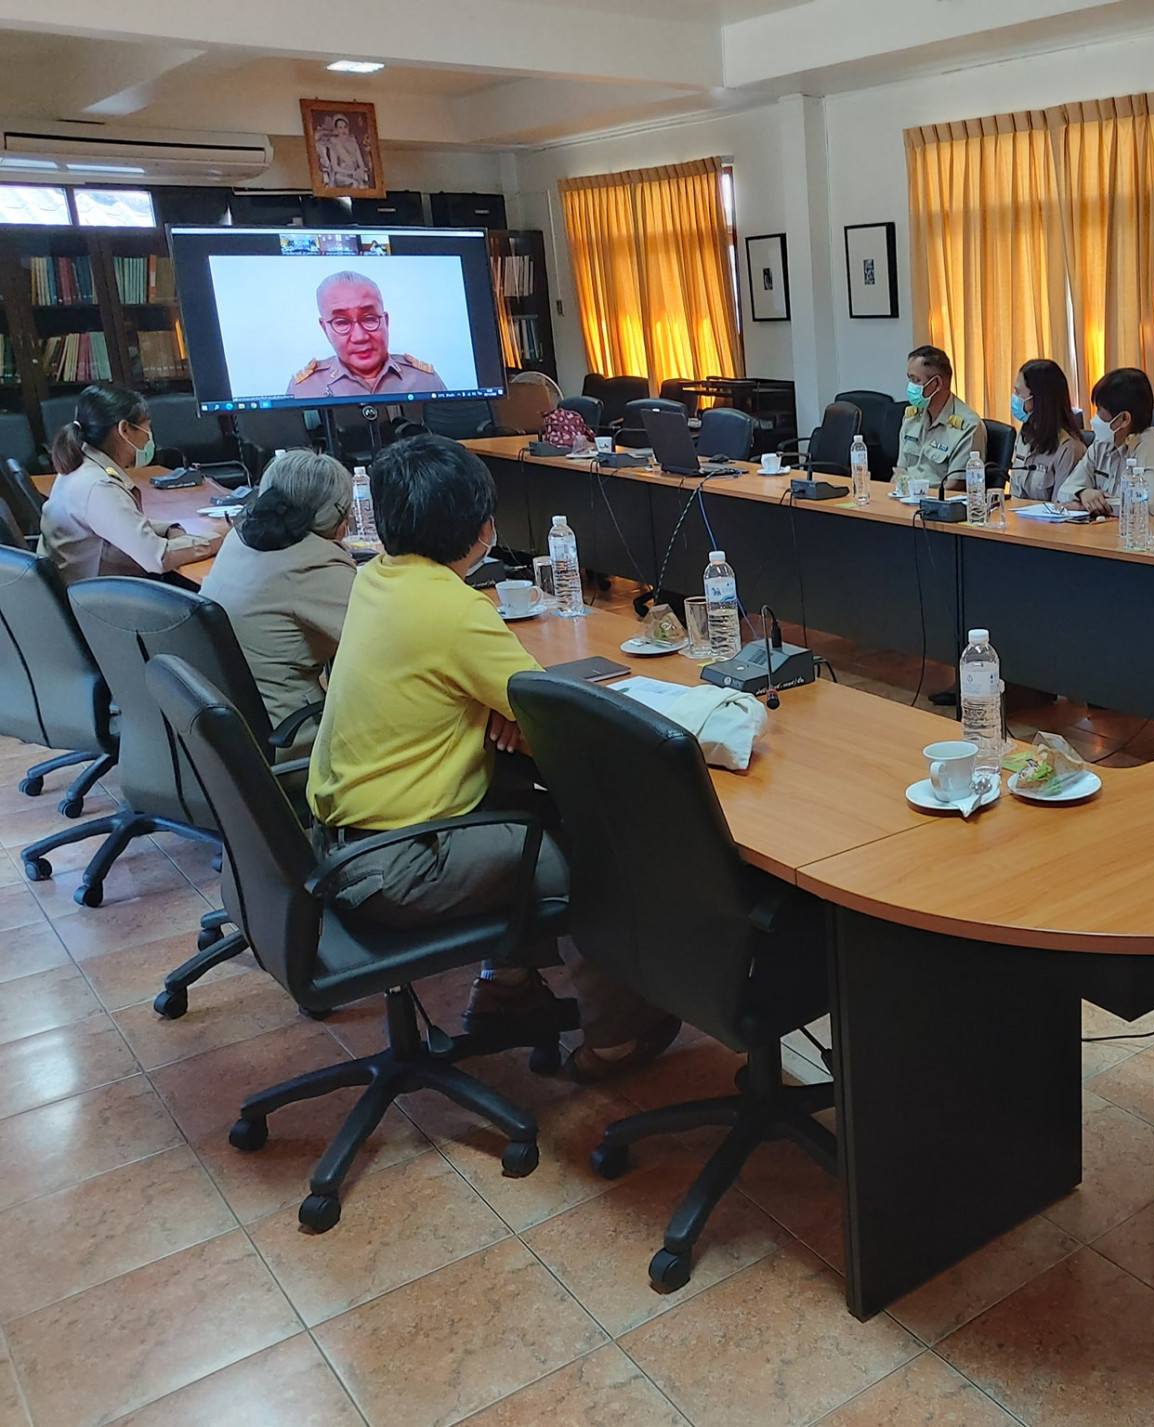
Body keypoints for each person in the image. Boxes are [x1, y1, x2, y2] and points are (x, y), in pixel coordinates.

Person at [307, 434, 678, 1079]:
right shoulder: (455, 609)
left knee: (523, 799)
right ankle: (615, 1039)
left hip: (346, 841)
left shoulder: (376, 578)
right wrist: (519, 720)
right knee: (603, 852)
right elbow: (560, 729)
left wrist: (503, 716)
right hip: (401, 864)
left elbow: (514, 708)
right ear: (484, 529)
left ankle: (504, 986)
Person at [198, 450, 357, 744]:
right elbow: (382, 644)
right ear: (334, 514)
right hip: (289, 736)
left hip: (227, 732)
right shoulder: (314, 563)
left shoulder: (239, 537)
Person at [39, 382, 224, 584]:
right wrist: (218, 537)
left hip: (88, 596)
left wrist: (168, 528)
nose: (148, 436)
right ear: (125, 429)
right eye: (147, 425)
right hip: (100, 606)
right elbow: (157, 558)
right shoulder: (99, 486)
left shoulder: (80, 467)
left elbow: (121, 523)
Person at [287, 271, 448, 400]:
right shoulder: (304, 389)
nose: (360, 337)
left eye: (370, 319)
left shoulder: (424, 380)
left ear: (386, 321)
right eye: (342, 322)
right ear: (325, 329)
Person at [1058, 367, 1154, 516]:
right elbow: (1064, 491)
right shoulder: (1101, 444)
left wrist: (1094, 504)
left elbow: (1150, 507)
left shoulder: (1150, 446)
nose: (1095, 417)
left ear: (1124, 419)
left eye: (1100, 410)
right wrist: (1084, 494)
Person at [894, 345, 979, 485]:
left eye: (916, 380)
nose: (910, 386)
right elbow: (900, 472)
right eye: (909, 379)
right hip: (906, 500)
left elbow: (955, 486)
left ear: (936, 383)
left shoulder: (967, 426)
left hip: (936, 502)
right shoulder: (911, 418)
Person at [1008, 359, 1088, 502]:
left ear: (1039, 399)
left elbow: (1061, 508)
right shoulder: (1026, 432)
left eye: (1019, 393)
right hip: (1019, 520)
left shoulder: (1069, 449)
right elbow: (1016, 494)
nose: (1015, 398)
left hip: (1047, 523)